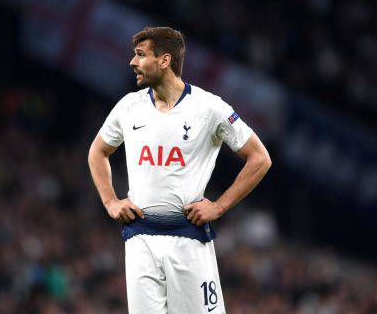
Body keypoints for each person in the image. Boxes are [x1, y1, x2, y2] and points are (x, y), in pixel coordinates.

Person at [88, 26, 271, 314]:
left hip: (188, 238)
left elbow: (259, 158)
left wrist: (220, 206)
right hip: (140, 239)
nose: (132, 62)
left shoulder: (209, 107)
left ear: (164, 60)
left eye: (140, 55)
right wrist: (110, 201)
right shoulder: (128, 107)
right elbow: (98, 151)